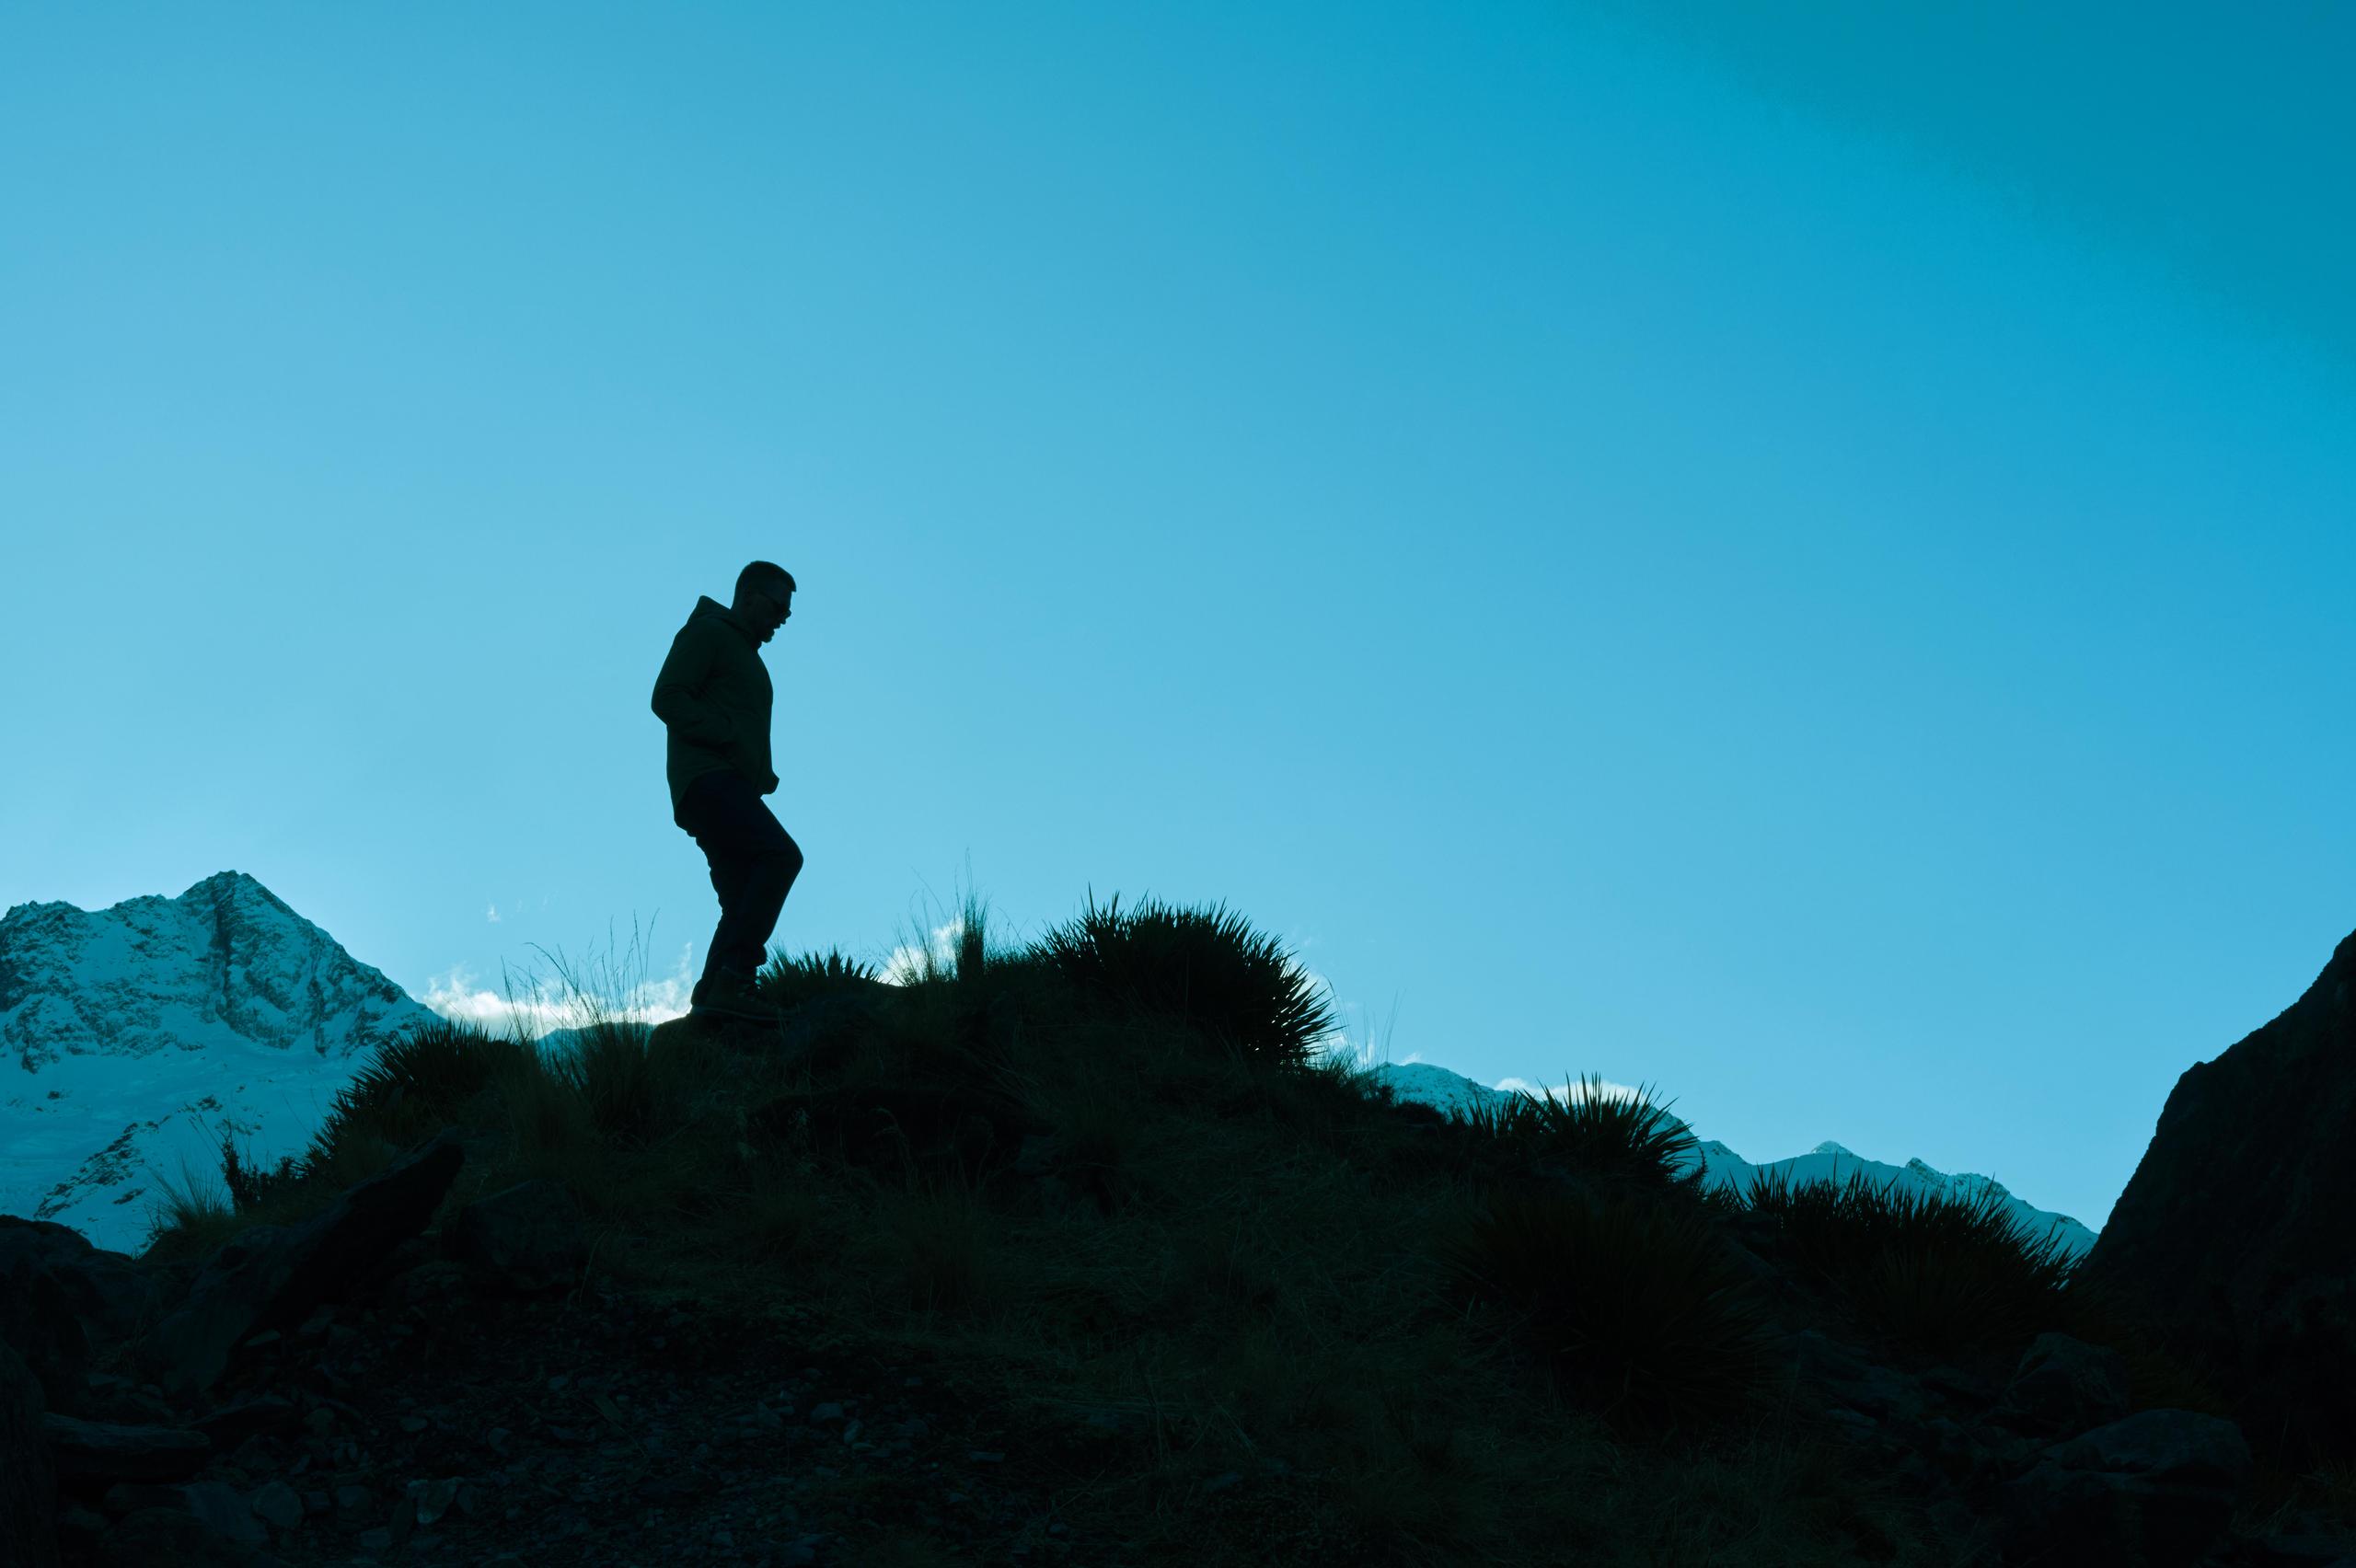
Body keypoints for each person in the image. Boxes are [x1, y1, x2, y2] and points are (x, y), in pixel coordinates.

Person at [651, 560, 804, 1023]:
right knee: (780, 857)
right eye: (778, 606)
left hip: (722, 782)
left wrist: (759, 770)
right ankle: (736, 979)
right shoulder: (710, 633)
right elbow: (668, 697)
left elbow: (734, 721)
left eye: (789, 612)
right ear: (749, 596)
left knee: (740, 895)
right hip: (708, 779)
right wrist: (730, 737)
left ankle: (714, 999)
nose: (783, 617)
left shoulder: (745, 653)